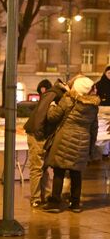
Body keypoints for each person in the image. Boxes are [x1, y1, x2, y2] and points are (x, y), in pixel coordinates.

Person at [43, 76, 99, 213]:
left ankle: (55, 203)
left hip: (64, 140)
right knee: (76, 173)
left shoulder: (68, 100)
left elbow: (53, 117)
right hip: (82, 143)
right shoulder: (93, 107)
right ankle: (75, 204)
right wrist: (91, 148)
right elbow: (94, 129)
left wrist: (51, 106)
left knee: (59, 171)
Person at [23, 79, 67, 208]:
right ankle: (36, 198)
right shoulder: (54, 94)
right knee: (37, 167)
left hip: (42, 134)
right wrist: (40, 134)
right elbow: (41, 114)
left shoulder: (56, 94)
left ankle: (45, 196)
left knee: (43, 167)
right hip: (38, 135)